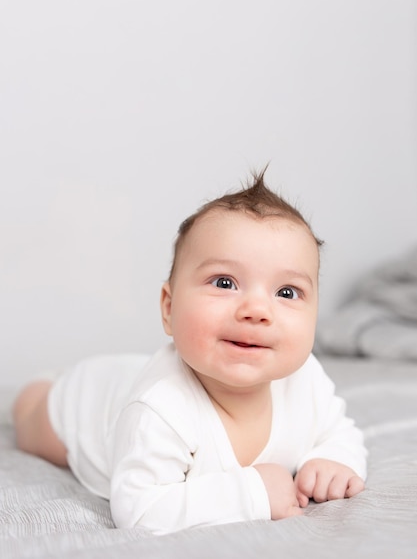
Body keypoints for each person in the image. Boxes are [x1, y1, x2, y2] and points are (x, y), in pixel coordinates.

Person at [12, 169, 367, 535]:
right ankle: (38, 389)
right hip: (86, 401)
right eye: (225, 283)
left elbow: (338, 431)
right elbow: (139, 509)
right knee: (30, 422)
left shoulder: (305, 377)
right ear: (169, 308)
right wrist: (253, 492)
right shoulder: (160, 408)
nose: (256, 310)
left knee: (129, 375)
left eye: (287, 292)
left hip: (130, 376)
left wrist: (334, 460)